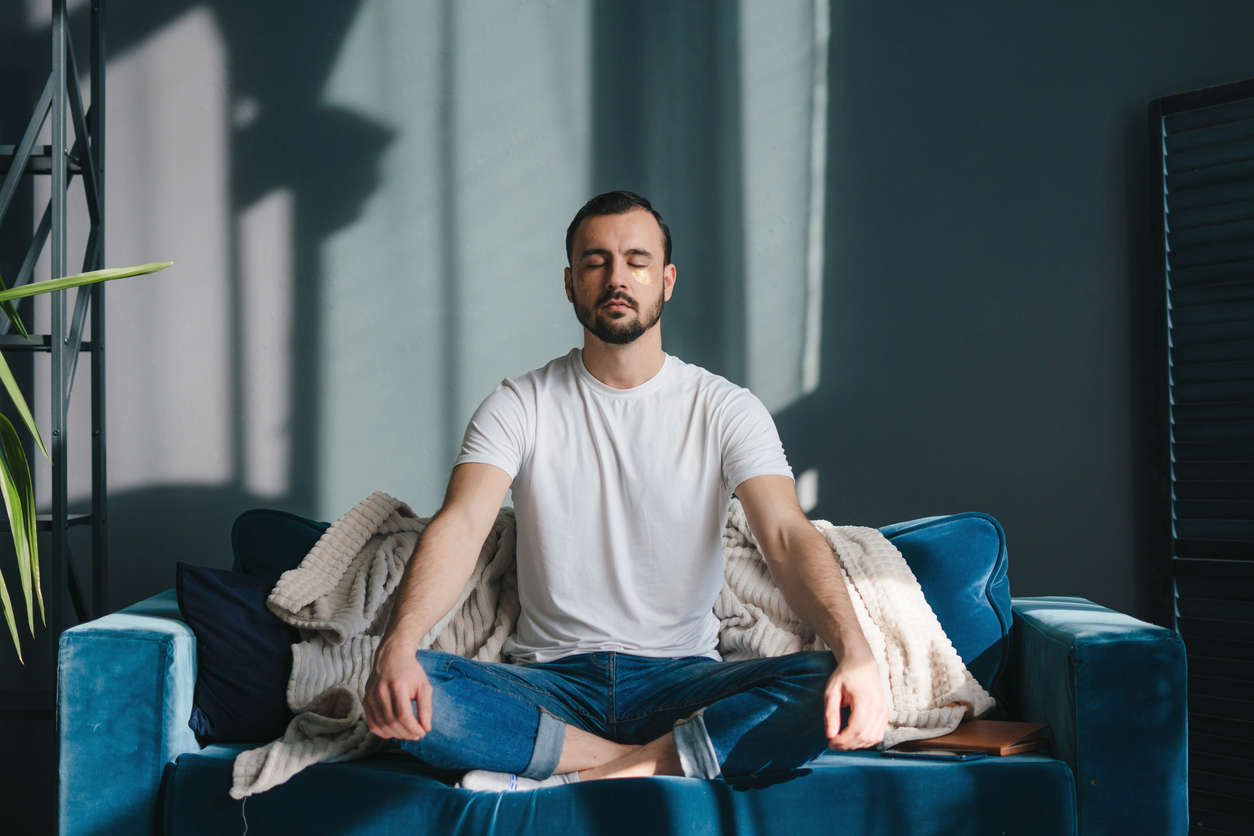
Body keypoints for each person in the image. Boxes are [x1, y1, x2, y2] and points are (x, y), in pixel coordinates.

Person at [363, 191, 888, 790]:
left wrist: (857, 651)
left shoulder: (725, 408)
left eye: (636, 261)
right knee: (415, 687)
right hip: (553, 682)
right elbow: (460, 524)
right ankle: (657, 760)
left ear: (666, 280)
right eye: (595, 262)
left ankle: (579, 769)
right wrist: (399, 645)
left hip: (683, 680)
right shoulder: (519, 404)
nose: (617, 278)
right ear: (569, 283)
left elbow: (788, 536)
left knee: (823, 680)